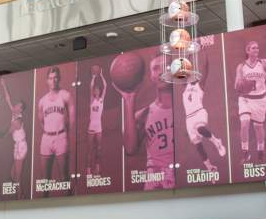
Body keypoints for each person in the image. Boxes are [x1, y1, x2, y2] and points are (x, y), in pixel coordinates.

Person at [116, 54, 174, 190]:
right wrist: (130, 100)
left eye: (166, 67)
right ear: (151, 76)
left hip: (180, 174)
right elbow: (130, 149)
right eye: (155, 69)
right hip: (155, 178)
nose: (160, 72)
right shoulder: (143, 115)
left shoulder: (185, 107)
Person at [182, 53, 226, 173]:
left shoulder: (200, 85)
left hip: (199, 112)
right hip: (188, 118)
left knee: (200, 128)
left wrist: (205, 54)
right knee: (197, 144)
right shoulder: (184, 87)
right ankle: (209, 166)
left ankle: (217, 142)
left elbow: (205, 69)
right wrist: (188, 56)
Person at [234, 41, 266, 163]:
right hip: (245, 98)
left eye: (257, 47)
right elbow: (236, 84)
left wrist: (265, 76)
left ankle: (260, 150)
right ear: (248, 51)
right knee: (244, 123)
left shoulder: (264, 62)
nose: (256, 50)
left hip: (260, 100)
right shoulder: (241, 66)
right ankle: (245, 152)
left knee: (258, 127)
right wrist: (241, 84)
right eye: (253, 48)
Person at [37, 67, 75, 192]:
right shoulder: (42, 101)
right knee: (44, 180)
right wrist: (49, 131)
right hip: (46, 138)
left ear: (59, 79)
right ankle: (44, 209)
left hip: (61, 136)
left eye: (55, 78)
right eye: (50, 78)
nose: (53, 81)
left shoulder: (65, 95)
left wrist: (64, 134)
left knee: (64, 178)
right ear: (47, 81)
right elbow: (41, 121)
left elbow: (72, 119)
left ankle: (69, 208)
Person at [0, 76, 28, 199]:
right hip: (17, 145)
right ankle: (20, 193)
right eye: (15, 104)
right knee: (13, 174)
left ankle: (19, 197)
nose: (14, 105)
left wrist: (3, 135)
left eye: (17, 105)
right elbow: (7, 99)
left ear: (20, 109)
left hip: (21, 146)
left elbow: (10, 131)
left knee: (17, 176)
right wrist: (3, 85)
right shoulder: (14, 113)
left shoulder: (18, 119)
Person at [87, 67, 107, 176]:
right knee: (90, 149)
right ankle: (89, 169)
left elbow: (106, 86)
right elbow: (90, 86)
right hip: (91, 127)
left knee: (99, 148)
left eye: (98, 90)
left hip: (99, 127)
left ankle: (98, 167)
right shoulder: (92, 100)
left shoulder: (101, 100)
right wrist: (94, 77)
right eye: (95, 90)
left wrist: (102, 75)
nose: (96, 91)